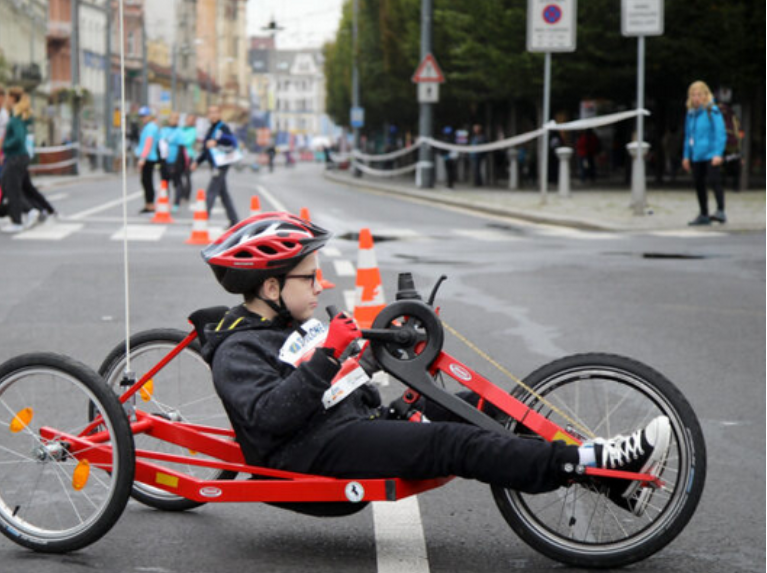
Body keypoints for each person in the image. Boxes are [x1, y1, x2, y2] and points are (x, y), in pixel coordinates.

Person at [198, 212, 671, 515]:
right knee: (453, 442)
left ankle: (615, 486)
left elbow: (338, 388)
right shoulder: (238, 350)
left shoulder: (286, 327)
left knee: (487, 405)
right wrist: (326, 355)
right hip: (311, 455)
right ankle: (595, 462)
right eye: (309, 277)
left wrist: (379, 361)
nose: (320, 286)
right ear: (272, 288)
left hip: (355, 425)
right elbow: (268, 418)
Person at [682, 81, 727, 225]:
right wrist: (686, 156)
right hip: (697, 155)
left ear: (705, 95)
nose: (696, 98)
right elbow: (688, 136)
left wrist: (718, 153)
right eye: (693, 95)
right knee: (698, 184)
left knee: (714, 181)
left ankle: (720, 210)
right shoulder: (691, 114)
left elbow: (720, 133)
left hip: (711, 153)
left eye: (699, 95)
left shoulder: (712, 110)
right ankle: (704, 214)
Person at [0, 88, 40, 233]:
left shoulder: (16, 119)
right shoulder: (16, 116)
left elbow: (18, 138)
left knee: (12, 189)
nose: (6, 101)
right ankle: (27, 212)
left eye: (8, 97)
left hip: (16, 157)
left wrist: (5, 145)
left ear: (13, 99)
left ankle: (19, 219)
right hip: (16, 157)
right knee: (6, 185)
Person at [192, 105, 239, 227]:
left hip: (221, 164)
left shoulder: (223, 128)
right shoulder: (210, 129)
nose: (213, 115)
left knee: (211, 191)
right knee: (223, 194)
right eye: (210, 112)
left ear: (220, 114)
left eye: (215, 112)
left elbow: (233, 142)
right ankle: (234, 221)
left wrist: (217, 142)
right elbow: (205, 150)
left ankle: (202, 218)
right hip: (214, 164)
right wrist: (197, 162)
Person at [136, 106, 160, 214]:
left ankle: (150, 204)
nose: (143, 118)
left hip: (149, 158)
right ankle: (148, 204)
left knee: (147, 181)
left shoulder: (150, 127)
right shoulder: (148, 127)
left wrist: (142, 158)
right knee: (145, 181)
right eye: (141, 116)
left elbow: (148, 144)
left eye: (144, 116)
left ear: (149, 116)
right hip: (148, 157)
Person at [175, 114, 197, 208]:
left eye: (191, 120)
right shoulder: (182, 129)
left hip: (188, 155)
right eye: (188, 119)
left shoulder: (193, 130)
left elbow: (187, 142)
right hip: (179, 155)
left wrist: (179, 140)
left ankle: (186, 195)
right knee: (178, 176)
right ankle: (180, 194)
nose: (189, 121)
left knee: (187, 176)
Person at [159, 112, 182, 207]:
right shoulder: (164, 130)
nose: (173, 120)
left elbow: (181, 148)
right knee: (164, 182)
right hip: (164, 160)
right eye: (172, 118)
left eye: (176, 118)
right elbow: (160, 143)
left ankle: (176, 202)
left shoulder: (180, 132)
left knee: (176, 182)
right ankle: (165, 202)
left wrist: (178, 163)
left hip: (175, 160)